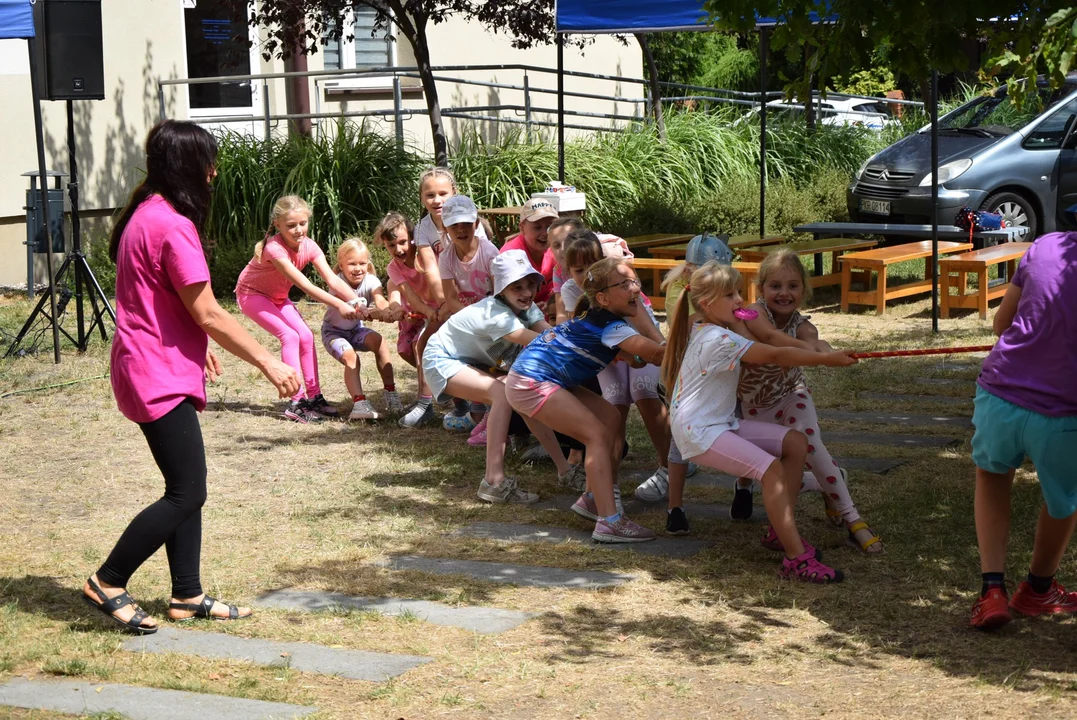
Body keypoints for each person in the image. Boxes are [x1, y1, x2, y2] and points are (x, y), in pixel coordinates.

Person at [82, 120, 300, 635]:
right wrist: (269, 362)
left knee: (186, 485)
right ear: (190, 168)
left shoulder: (145, 213)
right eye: (209, 162)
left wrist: (192, 349)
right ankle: (108, 580)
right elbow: (209, 312)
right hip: (154, 370)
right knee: (187, 491)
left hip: (151, 361)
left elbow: (159, 300)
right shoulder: (173, 226)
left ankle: (187, 594)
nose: (215, 172)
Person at [662, 261, 857, 582]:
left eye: (738, 291)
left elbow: (761, 338)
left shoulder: (704, 323)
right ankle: (796, 558)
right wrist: (825, 358)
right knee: (771, 469)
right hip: (699, 433)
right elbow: (774, 354)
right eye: (730, 295)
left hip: (717, 424)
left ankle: (779, 532)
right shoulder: (717, 339)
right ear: (709, 304)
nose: (740, 300)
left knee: (796, 443)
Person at [507, 258, 666, 543]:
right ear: (603, 297)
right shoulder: (611, 326)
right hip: (530, 382)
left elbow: (635, 356)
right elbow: (655, 354)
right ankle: (610, 521)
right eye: (625, 284)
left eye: (635, 281)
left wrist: (636, 356)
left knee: (610, 418)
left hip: (541, 378)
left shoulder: (600, 319)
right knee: (595, 434)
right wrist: (689, 345)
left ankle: (593, 499)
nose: (635, 289)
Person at [736, 250, 883, 554]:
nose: (784, 293)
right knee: (773, 471)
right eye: (775, 285)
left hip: (792, 396)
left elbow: (817, 342)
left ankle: (853, 520)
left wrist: (827, 352)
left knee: (810, 443)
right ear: (762, 287)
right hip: (752, 408)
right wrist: (820, 357)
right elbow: (768, 337)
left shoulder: (804, 325)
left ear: (804, 290)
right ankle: (826, 482)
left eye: (792, 286)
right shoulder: (751, 313)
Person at [968, 228, 1077, 629]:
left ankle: (991, 591)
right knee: (1062, 498)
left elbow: (1001, 323)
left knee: (993, 476)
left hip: (1000, 395)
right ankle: (1037, 588)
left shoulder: (1045, 245)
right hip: (1064, 413)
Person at [423, 250, 577, 504]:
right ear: (500, 290)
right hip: (442, 358)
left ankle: (566, 470)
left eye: (530, 285)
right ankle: (493, 481)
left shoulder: (526, 310)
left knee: (524, 394)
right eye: (517, 287)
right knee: (502, 396)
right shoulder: (496, 315)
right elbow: (542, 342)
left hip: (471, 359)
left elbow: (549, 334)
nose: (527, 293)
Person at [559, 230, 677, 512]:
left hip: (638, 343)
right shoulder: (572, 292)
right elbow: (590, 337)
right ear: (568, 271)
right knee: (613, 411)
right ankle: (603, 490)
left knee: (643, 391)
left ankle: (670, 466)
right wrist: (624, 356)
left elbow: (648, 333)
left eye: (592, 265)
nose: (586, 273)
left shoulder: (620, 286)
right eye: (578, 269)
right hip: (613, 352)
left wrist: (661, 353)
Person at [234, 195, 359, 423]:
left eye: (303, 223)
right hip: (252, 295)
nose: (298, 230)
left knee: (306, 335)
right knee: (289, 336)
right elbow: (306, 285)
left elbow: (332, 279)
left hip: (278, 298)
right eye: (291, 225)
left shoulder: (309, 246)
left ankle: (314, 397)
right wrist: (340, 305)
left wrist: (357, 301)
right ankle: (296, 402)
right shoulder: (274, 248)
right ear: (277, 225)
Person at [435, 194, 501, 434]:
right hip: (466, 318)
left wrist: (484, 323)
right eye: (454, 225)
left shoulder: (489, 252)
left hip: (493, 318)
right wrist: (470, 322)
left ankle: (488, 413)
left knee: (497, 361)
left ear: (476, 224)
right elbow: (450, 297)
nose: (461, 229)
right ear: (446, 228)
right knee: (457, 356)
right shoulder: (446, 257)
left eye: (466, 223)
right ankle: (470, 407)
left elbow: (500, 293)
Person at [321, 238, 403, 421]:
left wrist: (388, 310)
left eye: (362, 263)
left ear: (368, 264)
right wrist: (372, 313)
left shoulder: (371, 280)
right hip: (333, 332)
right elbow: (353, 310)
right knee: (351, 356)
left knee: (379, 341)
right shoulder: (337, 282)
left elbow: (379, 299)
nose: (358, 268)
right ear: (341, 265)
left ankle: (390, 392)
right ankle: (359, 403)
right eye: (351, 264)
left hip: (356, 330)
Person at [376, 212, 440, 428]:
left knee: (419, 346)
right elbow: (408, 296)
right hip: (418, 312)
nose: (398, 249)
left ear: (412, 238)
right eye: (391, 245)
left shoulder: (425, 256)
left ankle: (425, 403)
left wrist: (433, 313)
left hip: (438, 309)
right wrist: (400, 309)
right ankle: (434, 384)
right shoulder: (394, 268)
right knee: (405, 349)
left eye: (402, 242)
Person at [499, 199, 559, 306]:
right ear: (522, 227)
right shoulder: (510, 255)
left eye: (550, 226)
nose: (545, 233)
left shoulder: (557, 248)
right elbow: (507, 301)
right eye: (537, 227)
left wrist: (550, 304)